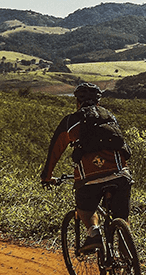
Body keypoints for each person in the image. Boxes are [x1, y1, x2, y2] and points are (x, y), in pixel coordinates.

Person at [41, 82, 132, 252]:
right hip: (120, 174)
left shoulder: (70, 121)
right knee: (122, 218)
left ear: (77, 102)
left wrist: (47, 176)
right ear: (98, 102)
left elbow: (55, 150)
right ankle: (127, 271)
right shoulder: (110, 116)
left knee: (85, 208)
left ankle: (93, 233)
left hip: (89, 178)